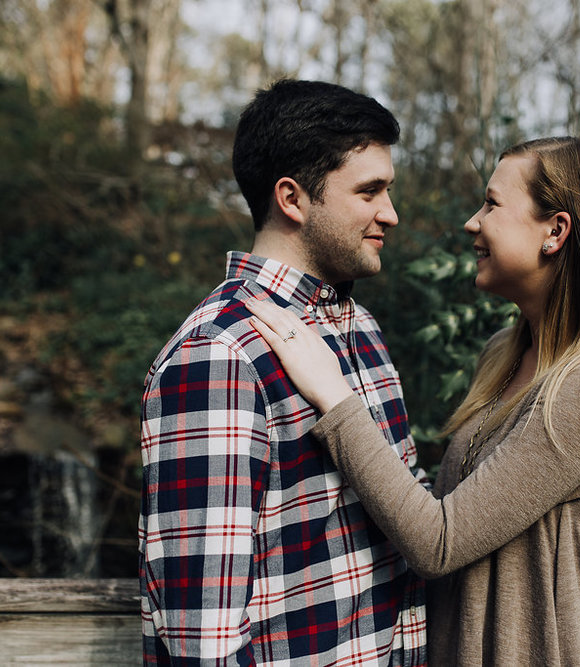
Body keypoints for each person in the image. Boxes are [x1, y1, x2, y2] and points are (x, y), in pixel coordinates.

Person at [247, 136, 580, 666]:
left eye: (492, 204)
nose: (473, 222)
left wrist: (334, 396)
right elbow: (446, 511)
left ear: (555, 232)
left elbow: (437, 542)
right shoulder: (504, 353)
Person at [139, 79, 427, 665]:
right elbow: (205, 638)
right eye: (369, 191)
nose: (390, 214)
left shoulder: (360, 327)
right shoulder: (219, 355)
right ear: (292, 199)